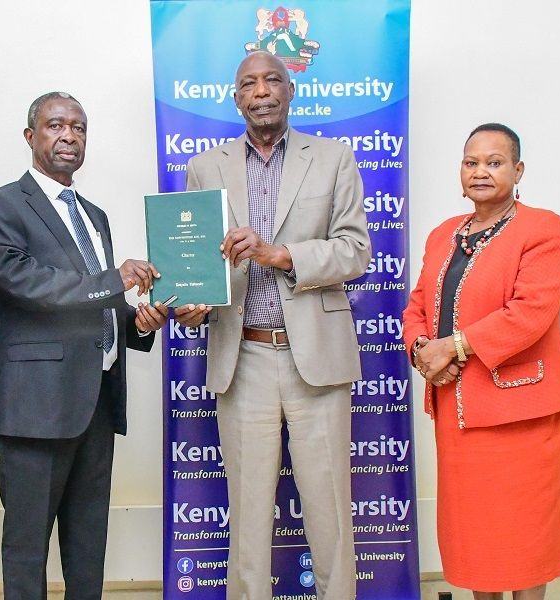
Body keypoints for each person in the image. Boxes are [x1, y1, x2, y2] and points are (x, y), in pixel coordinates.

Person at [174, 51, 371, 600]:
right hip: (245, 359)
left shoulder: (333, 158)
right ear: (235, 98)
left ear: (290, 91)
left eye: (272, 81)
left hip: (317, 360)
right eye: (248, 83)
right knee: (249, 516)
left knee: (330, 512)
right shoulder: (205, 167)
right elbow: (195, 269)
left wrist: (279, 254)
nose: (261, 91)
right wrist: (193, 305)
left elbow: (356, 252)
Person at [0, 91, 168, 600]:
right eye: (56, 125)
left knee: (88, 544)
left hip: (97, 402)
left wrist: (140, 323)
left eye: (79, 128)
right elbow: (24, 282)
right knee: (26, 546)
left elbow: (98, 303)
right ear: (30, 136)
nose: (69, 136)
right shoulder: (1, 205)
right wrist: (113, 280)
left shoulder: (94, 214)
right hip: (36, 405)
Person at [402, 123, 560, 599]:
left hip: (522, 414)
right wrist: (422, 348)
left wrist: (453, 347)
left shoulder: (543, 228)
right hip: (458, 415)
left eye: (494, 162)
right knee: (476, 540)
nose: (481, 171)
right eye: (471, 162)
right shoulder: (443, 234)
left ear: (518, 170)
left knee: (524, 539)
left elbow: (530, 313)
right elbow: (418, 305)